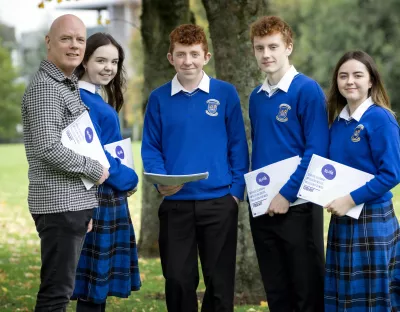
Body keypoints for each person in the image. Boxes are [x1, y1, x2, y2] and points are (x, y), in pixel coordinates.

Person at [141, 24, 249, 312]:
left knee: (219, 282)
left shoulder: (225, 94)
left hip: (219, 203)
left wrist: (235, 194)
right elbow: (151, 148)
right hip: (176, 204)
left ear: (206, 56)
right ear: (170, 57)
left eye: (194, 54)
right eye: (181, 54)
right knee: (177, 279)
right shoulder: (158, 98)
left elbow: (238, 145)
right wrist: (160, 183)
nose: (187, 61)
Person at [21, 15, 109, 311]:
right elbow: (48, 147)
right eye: (66, 39)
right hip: (59, 207)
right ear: (49, 42)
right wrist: (96, 170)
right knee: (56, 294)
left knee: (62, 288)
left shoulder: (65, 84)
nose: (75, 46)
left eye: (80, 40)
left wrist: (86, 204)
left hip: (71, 205)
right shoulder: (47, 88)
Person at [248, 16, 327, 312]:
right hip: (263, 206)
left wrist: (287, 194)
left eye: (273, 46)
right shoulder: (256, 97)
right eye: (259, 48)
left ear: (288, 48)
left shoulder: (307, 90)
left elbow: (316, 151)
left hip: (299, 205)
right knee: (276, 289)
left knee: (306, 289)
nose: (266, 54)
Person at [324, 50, 400, 311]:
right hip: (342, 219)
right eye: (343, 76)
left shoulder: (381, 118)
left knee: (373, 298)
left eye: (358, 75)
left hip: (372, 218)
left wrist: (350, 199)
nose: (350, 81)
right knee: (344, 294)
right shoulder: (337, 123)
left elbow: (391, 173)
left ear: (371, 81)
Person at [70, 33, 141, 311]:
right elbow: (98, 156)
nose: (108, 67)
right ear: (85, 61)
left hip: (104, 194)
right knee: (92, 291)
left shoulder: (95, 98)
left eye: (114, 61)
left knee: (94, 289)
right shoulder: (83, 99)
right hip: (99, 196)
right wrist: (130, 179)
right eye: (100, 60)